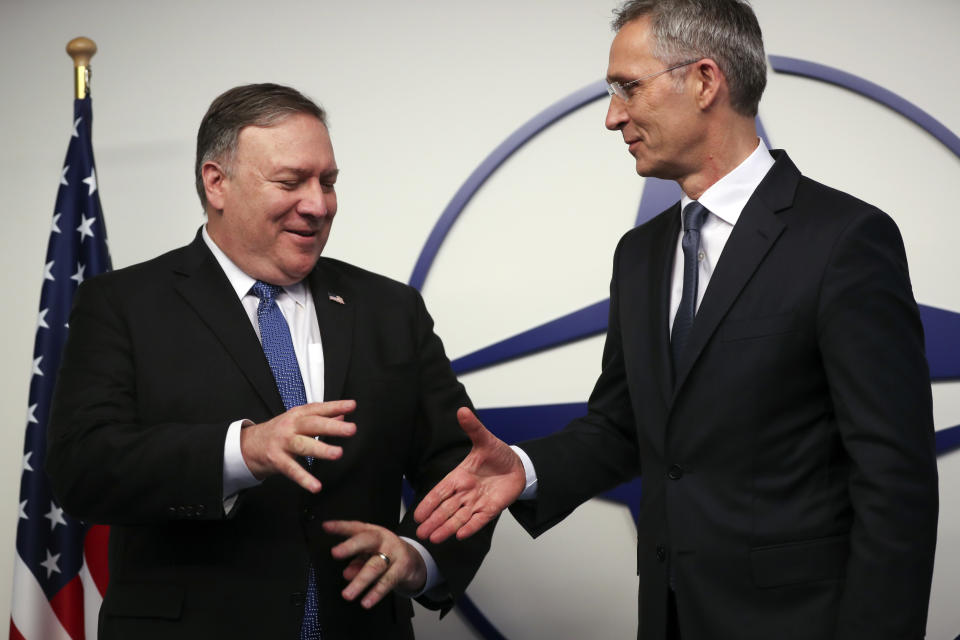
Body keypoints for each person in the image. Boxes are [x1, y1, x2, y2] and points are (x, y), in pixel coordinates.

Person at [414, 1, 939, 638]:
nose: (613, 117)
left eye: (627, 88)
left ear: (705, 81)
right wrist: (523, 470)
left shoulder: (846, 240)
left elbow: (894, 481)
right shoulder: (639, 254)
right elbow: (621, 426)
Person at [47, 83, 493, 640]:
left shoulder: (390, 310)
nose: (318, 204)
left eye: (328, 181)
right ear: (217, 183)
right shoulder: (124, 305)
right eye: (291, 181)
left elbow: (463, 470)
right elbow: (80, 468)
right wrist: (242, 451)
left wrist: (417, 555)